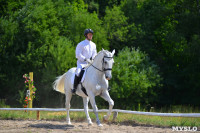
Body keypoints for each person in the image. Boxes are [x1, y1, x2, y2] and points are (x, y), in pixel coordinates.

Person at [71, 29, 97, 94]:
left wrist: (93, 59)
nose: (91, 36)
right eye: (89, 34)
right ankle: (74, 88)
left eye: (91, 34)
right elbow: (78, 55)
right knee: (78, 72)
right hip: (81, 63)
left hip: (90, 63)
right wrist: (85, 59)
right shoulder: (81, 44)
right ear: (86, 35)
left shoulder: (93, 45)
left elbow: (94, 54)